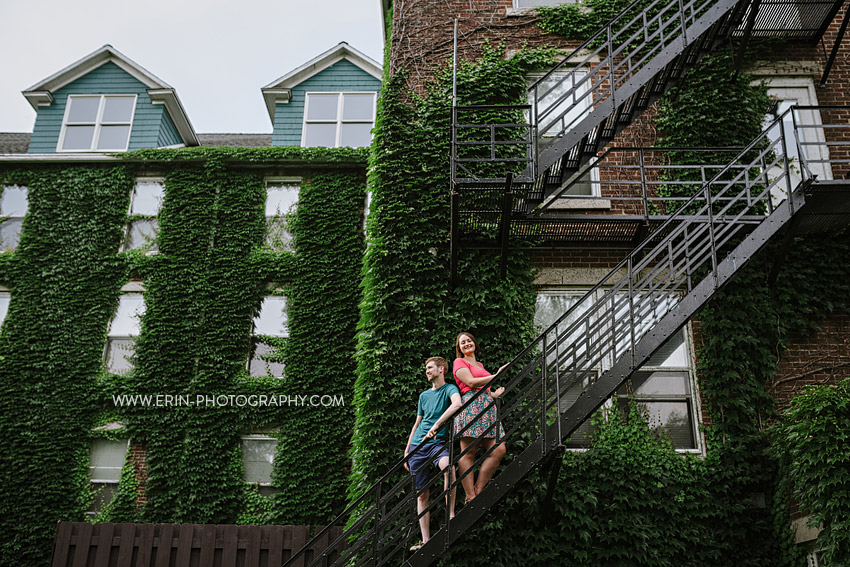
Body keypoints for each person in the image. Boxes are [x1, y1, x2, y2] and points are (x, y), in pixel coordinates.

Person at [404, 356, 462, 552]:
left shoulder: (449, 389)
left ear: (441, 369)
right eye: (426, 368)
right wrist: (407, 449)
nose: (427, 371)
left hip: (437, 442)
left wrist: (437, 425)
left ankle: (451, 515)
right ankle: (425, 540)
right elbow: (417, 423)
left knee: (449, 468)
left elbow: (457, 404)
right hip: (417, 446)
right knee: (422, 495)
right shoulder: (423, 396)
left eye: (430, 368)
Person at [452, 332, 507, 504]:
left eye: (469, 340)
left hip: (487, 406)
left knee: (499, 449)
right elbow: (470, 383)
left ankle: (478, 490)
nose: (467, 343)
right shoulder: (459, 362)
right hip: (472, 407)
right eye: (463, 342)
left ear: (475, 343)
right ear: (459, 348)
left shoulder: (480, 364)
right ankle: (470, 495)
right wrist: (496, 375)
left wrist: (494, 393)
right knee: (469, 452)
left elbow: (482, 387)